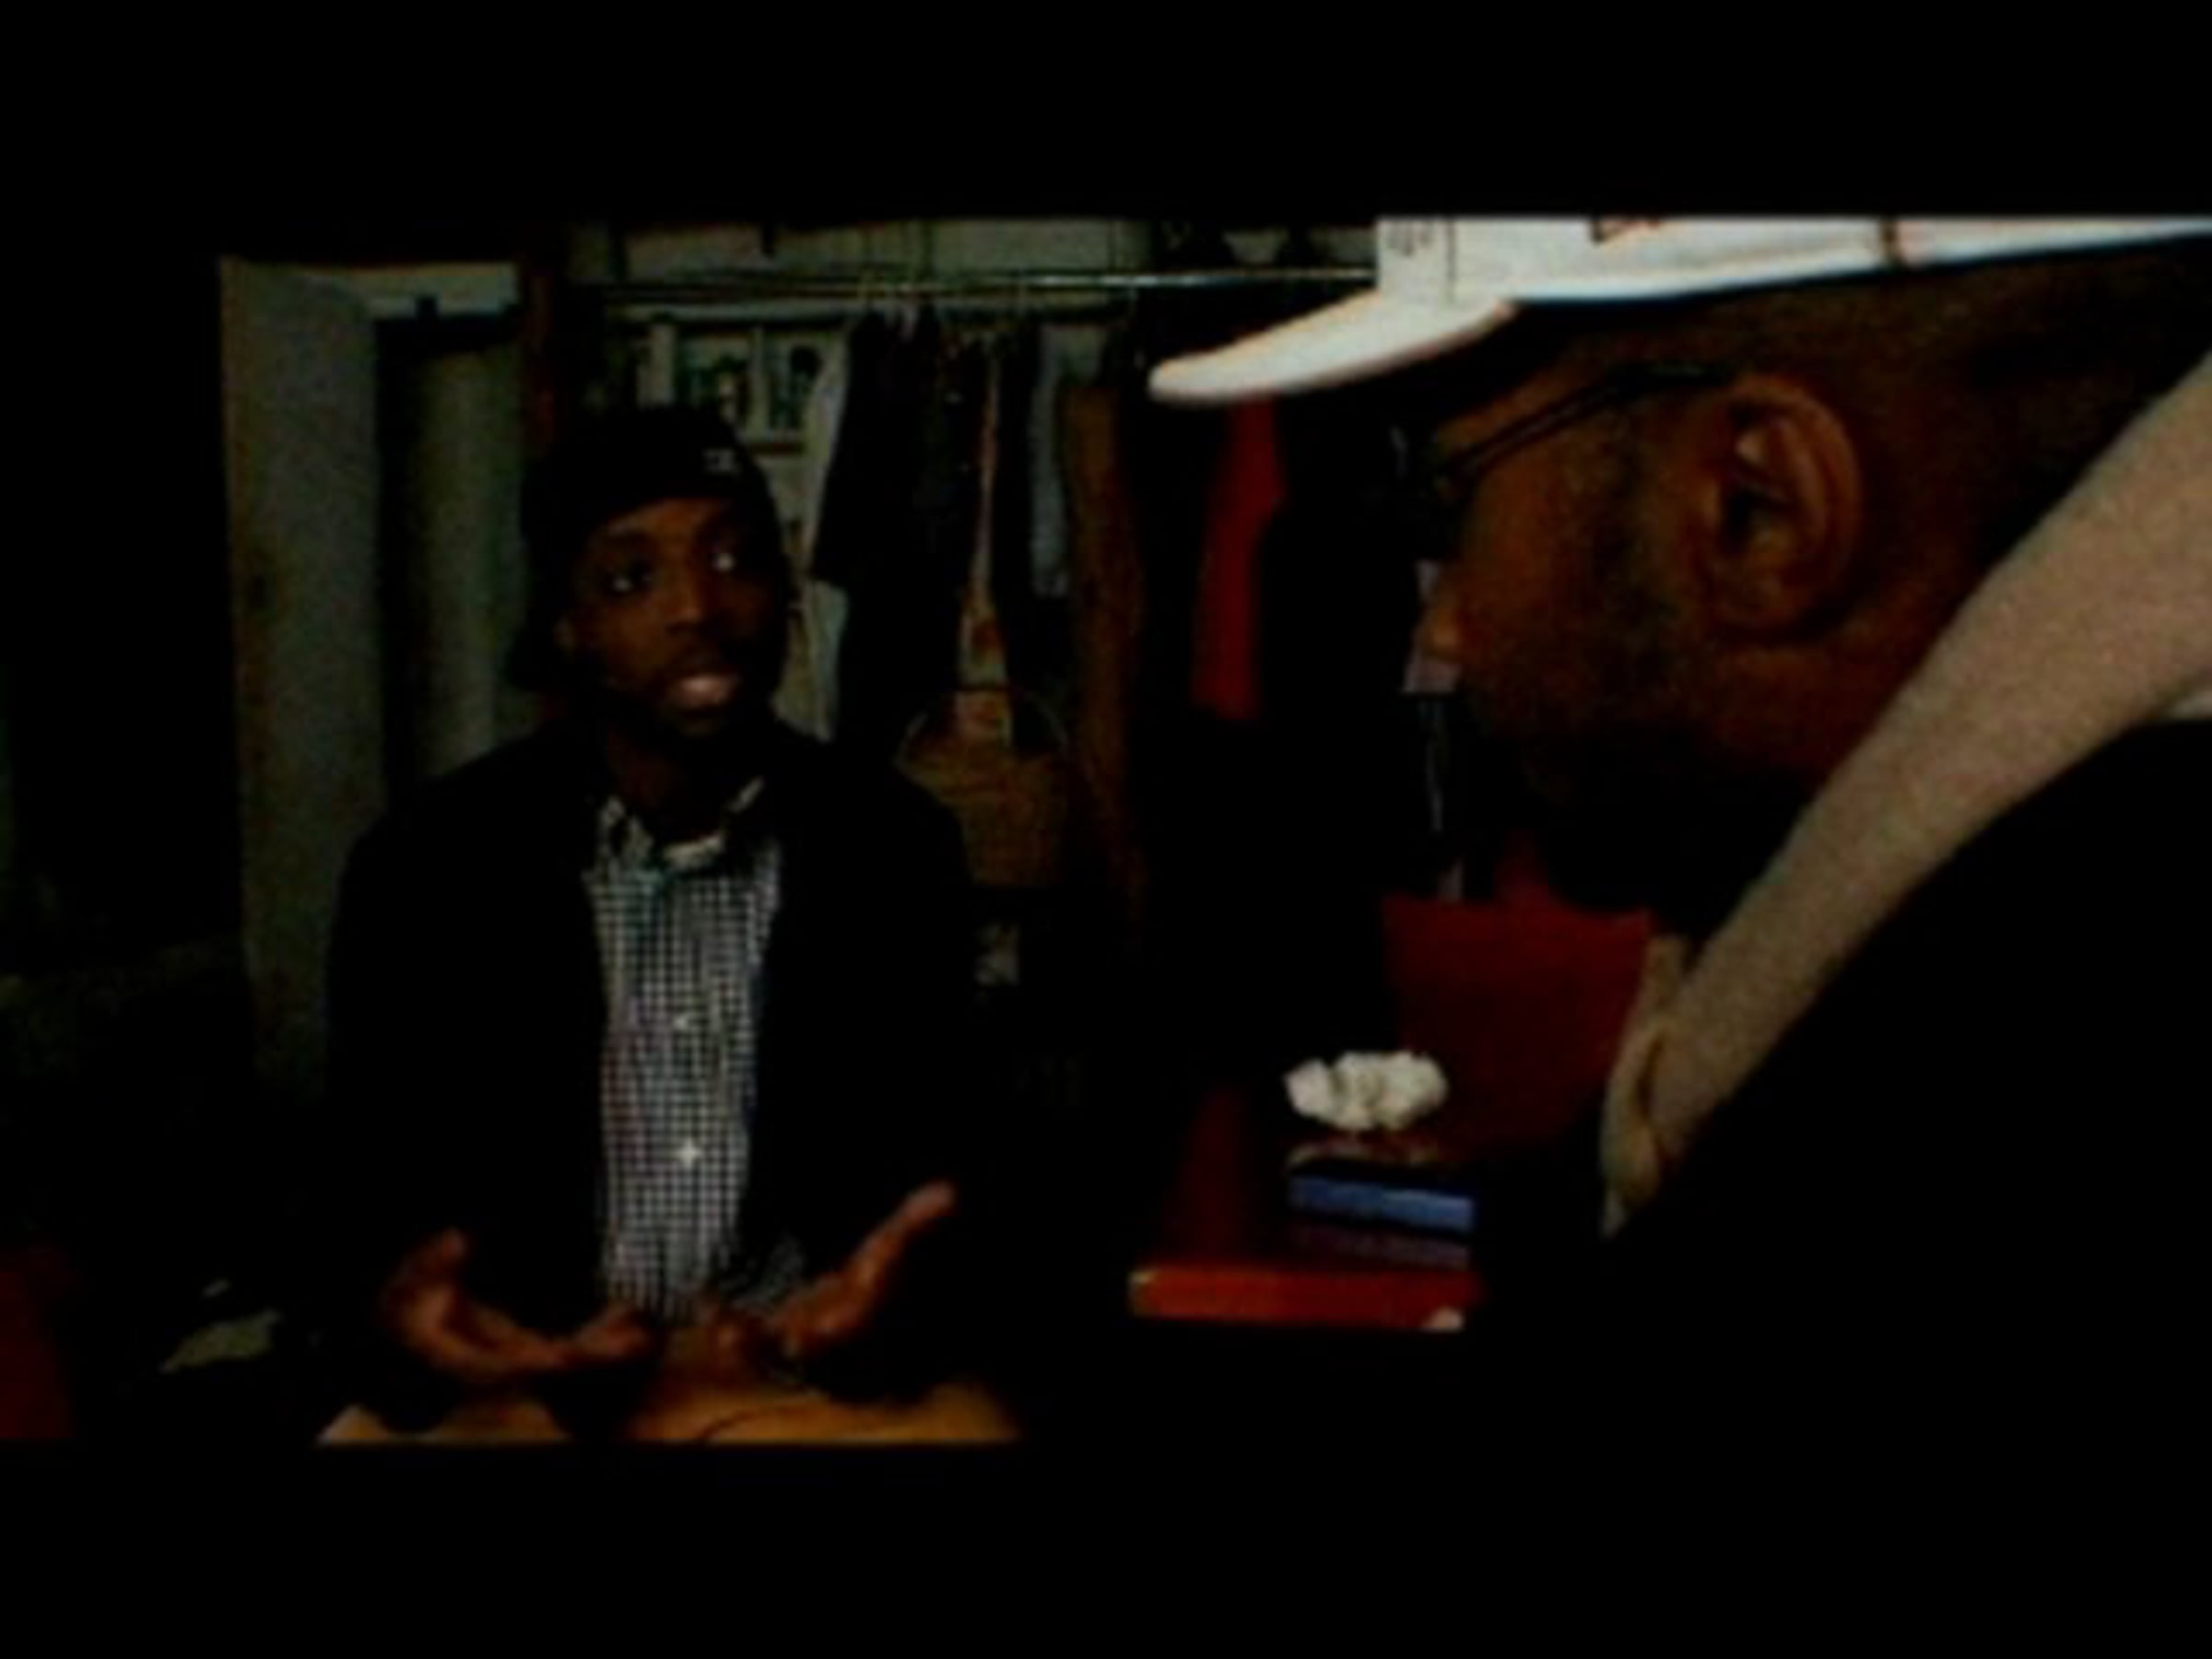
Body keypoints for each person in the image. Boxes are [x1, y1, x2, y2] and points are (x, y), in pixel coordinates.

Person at [1149, 219, 2212, 1456]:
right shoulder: (1858, 971)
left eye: (1456, 500)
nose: (1445, 628)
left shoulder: (2048, 1057)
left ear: (1761, 511)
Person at [316, 406, 982, 1432]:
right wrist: (399, 1318)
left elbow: (941, 1178)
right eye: (632, 579)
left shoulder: (890, 848)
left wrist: (891, 1307)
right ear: (566, 625)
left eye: (735, 558)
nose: (697, 608)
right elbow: (359, 1200)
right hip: (523, 1378)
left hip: (791, 1380)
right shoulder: (431, 866)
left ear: (785, 590)